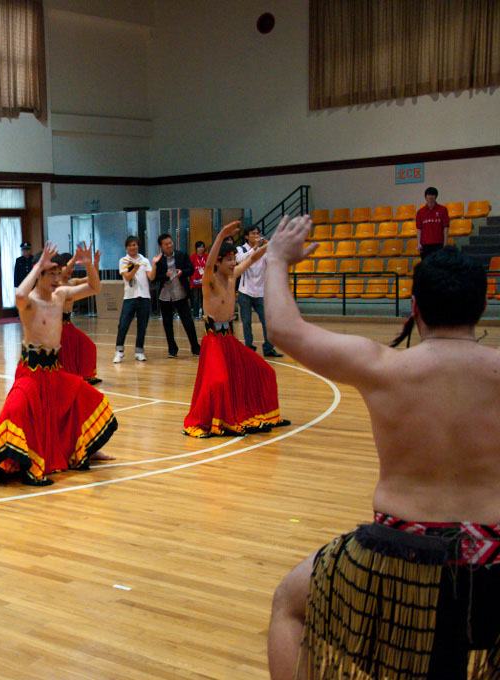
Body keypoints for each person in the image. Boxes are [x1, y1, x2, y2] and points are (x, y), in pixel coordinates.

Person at [264, 216, 500, 680]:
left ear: (414, 307)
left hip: (397, 559)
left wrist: (276, 258)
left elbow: (283, 329)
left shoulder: (382, 366)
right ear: (484, 303)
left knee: (290, 604)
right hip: (493, 563)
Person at [0, 242, 117, 491]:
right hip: (30, 373)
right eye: (50, 274)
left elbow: (95, 287)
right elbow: (19, 295)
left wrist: (88, 265)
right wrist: (38, 265)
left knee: (86, 395)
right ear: (39, 275)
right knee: (15, 410)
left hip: (54, 372)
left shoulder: (61, 295)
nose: (56, 279)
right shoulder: (30, 301)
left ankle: (89, 447)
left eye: (57, 274)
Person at [182, 222, 290, 438]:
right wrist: (220, 236)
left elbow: (251, 259)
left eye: (234, 259)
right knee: (219, 381)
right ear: (219, 262)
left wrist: (271, 245)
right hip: (213, 340)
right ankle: (218, 422)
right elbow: (210, 261)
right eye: (229, 260)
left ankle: (267, 415)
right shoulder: (209, 281)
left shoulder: (232, 277)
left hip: (229, 339)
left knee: (265, 371)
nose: (233, 263)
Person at [236, 225, 283, 357]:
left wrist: (270, 248)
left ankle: (268, 348)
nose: (256, 236)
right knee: (246, 322)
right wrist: (255, 248)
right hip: (245, 291)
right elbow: (240, 260)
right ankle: (249, 348)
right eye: (253, 233)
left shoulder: (263, 249)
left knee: (267, 321)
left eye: (258, 233)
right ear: (246, 236)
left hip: (261, 291)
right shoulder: (241, 249)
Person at [152, 233, 201, 358]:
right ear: (161, 246)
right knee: (167, 323)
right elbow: (154, 278)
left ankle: (195, 347)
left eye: (170, 242)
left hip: (180, 293)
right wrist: (165, 275)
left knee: (188, 322)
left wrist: (182, 272)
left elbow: (191, 269)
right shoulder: (158, 259)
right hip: (165, 295)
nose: (169, 245)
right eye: (166, 244)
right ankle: (172, 349)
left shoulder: (182, 255)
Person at [57, 251, 102, 385]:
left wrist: (94, 264)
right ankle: (68, 379)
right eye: (68, 266)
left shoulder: (73, 282)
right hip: (57, 326)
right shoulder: (56, 283)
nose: (71, 270)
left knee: (88, 346)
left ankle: (86, 376)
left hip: (68, 324)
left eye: (72, 267)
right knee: (66, 354)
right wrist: (75, 258)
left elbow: (93, 281)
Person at [114, 235, 152, 363]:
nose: (132, 247)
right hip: (129, 297)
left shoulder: (145, 260)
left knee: (142, 325)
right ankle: (119, 351)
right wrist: (135, 268)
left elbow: (151, 276)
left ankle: (139, 351)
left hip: (144, 296)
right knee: (123, 325)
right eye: (130, 245)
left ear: (138, 246)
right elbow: (128, 277)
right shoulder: (123, 261)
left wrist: (155, 264)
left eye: (134, 245)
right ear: (126, 247)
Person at [416, 186, 450, 258]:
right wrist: (418, 243)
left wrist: (445, 242)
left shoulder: (443, 209)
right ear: (425, 197)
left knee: (439, 265)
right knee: (426, 266)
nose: (430, 197)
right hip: (425, 244)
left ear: (436, 196)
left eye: (432, 195)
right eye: (428, 195)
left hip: (439, 243)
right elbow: (419, 228)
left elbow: (445, 227)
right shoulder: (420, 212)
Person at [189, 241, 207, 319]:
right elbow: (191, 269)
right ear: (196, 248)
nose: (201, 249)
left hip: (204, 281)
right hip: (195, 281)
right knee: (196, 298)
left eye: (202, 247)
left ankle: (204, 313)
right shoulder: (192, 258)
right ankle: (195, 314)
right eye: (199, 247)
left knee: (204, 298)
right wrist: (193, 279)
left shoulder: (206, 257)